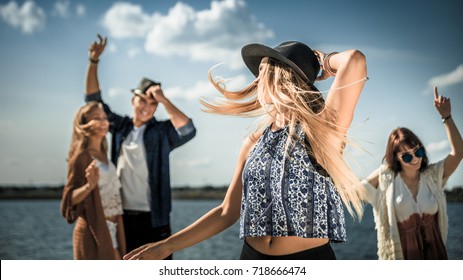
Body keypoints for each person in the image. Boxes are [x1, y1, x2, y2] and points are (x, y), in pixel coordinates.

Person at [124, 41, 368, 260]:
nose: (254, 81)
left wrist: (321, 61)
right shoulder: (253, 141)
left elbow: (354, 60)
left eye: (261, 72)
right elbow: (227, 211)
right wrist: (166, 246)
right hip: (251, 258)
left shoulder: (323, 132)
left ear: (280, 76)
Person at [85, 35, 197, 258]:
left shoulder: (162, 132)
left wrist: (163, 100)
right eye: (143, 100)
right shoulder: (121, 127)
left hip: (155, 219)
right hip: (122, 216)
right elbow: (92, 101)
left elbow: (188, 130)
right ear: (132, 100)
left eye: (152, 103)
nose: (147, 107)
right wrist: (94, 62)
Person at [361, 87, 463, 260]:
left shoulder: (433, 176)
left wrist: (447, 117)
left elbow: (458, 152)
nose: (416, 159)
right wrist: (385, 169)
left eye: (419, 152)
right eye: (407, 156)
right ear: (396, 158)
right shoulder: (388, 181)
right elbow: (358, 190)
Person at [61, 101, 126, 259]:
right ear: (85, 124)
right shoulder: (81, 157)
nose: (104, 121)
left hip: (113, 228)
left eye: (104, 117)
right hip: (93, 231)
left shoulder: (104, 154)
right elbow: (68, 201)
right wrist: (89, 186)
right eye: (97, 117)